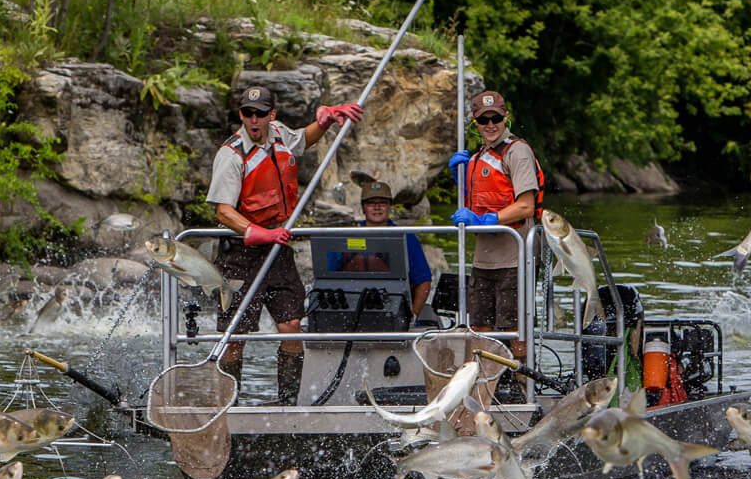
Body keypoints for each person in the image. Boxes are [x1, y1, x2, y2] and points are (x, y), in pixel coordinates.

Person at [207, 84, 361, 403]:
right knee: (236, 335)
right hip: (240, 253)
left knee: (291, 324)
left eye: (260, 114)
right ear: (241, 115)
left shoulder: (278, 133)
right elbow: (223, 212)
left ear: (271, 115)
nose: (254, 119)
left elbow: (303, 139)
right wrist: (258, 233)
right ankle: (229, 405)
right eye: (248, 113)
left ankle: (288, 402)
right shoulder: (231, 154)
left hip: (278, 249)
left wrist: (327, 121)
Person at [447, 89, 543, 394]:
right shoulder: (474, 158)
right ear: (475, 123)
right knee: (482, 330)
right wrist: (459, 178)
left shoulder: (517, 152)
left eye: (496, 118)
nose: (491, 124)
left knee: (515, 331)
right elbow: (473, 201)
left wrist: (489, 220)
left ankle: (520, 387)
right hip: (483, 260)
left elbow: (526, 205)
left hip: (515, 258)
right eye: (484, 120)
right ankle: (486, 389)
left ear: (506, 117)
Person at [346, 179, 433, 315]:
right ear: (363, 207)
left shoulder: (407, 237)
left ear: (390, 207)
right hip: (353, 307)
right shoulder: (347, 236)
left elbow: (423, 281)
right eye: (371, 203)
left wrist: (412, 317)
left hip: (395, 309)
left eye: (382, 203)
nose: (377, 207)